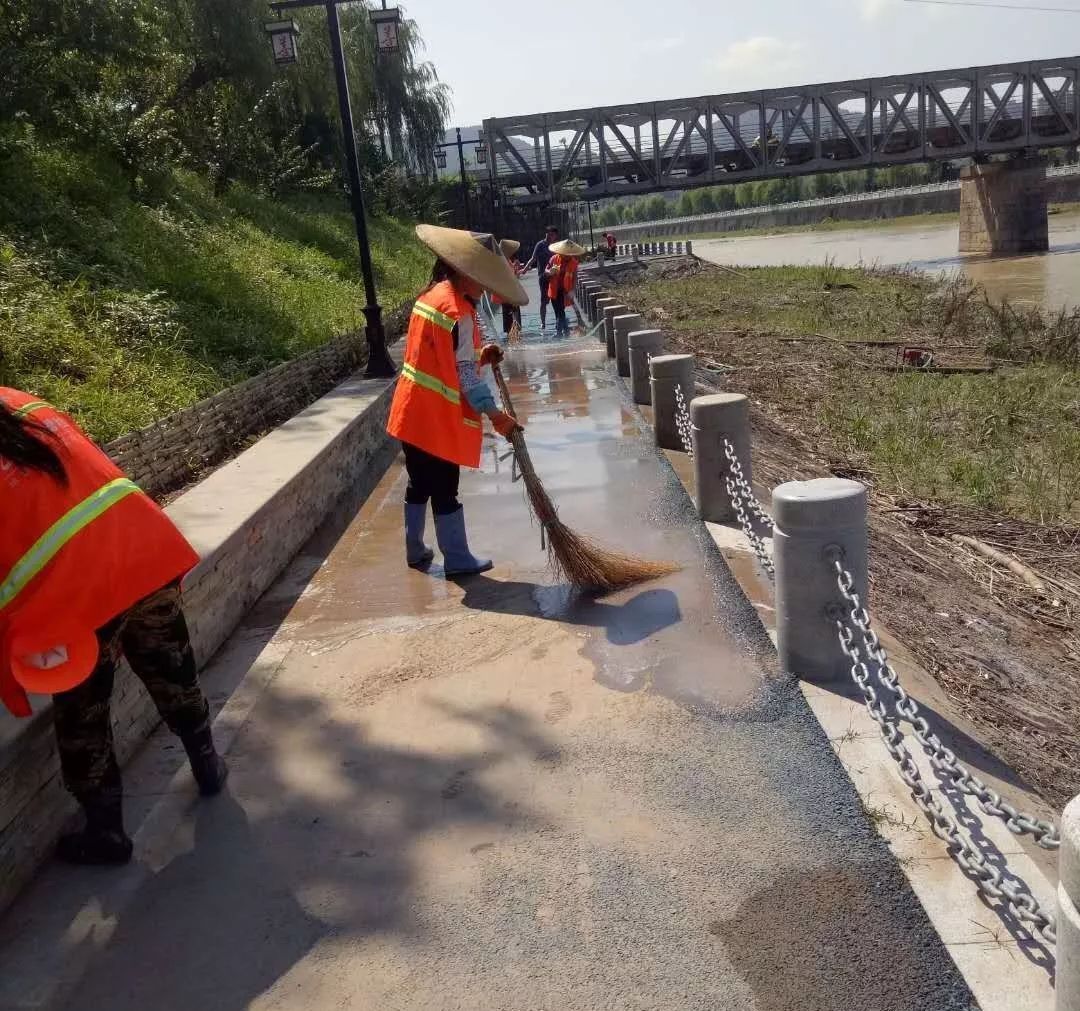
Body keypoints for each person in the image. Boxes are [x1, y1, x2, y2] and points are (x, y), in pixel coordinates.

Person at [0, 390, 227, 865]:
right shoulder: (20, 405)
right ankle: (207, 765)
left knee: (83, 711)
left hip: (72, 593)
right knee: (172, 666)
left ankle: (106, 831)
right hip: (137, 546)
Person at [387, 224, 528, 575]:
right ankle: (457, 558)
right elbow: (463, 376)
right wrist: (496, 415)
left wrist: (480, 354)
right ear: (466, 273)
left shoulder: (431, 296)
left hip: (411, 411)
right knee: (445, 488)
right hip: (436, 417)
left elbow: (441, 358)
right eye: (483, 279)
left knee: (419, 482)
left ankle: (415, 549)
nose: (485, 286)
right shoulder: (459, 312)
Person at [521, 225, 559, 330]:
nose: (550, 236)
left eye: (552, 234)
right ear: (546, 234)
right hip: (543, 276)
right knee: (544, 301)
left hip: (554, 277)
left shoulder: (555, 247)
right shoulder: (540, 245)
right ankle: (543, 322)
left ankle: (558, 320)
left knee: (555, 300)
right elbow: (533, 258)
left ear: (555, 236)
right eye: (548, 233)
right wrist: (524, 270)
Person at [545, 238, 586, 336]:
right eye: (565, 253)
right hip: (554, 289)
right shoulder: (554, 259)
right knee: (557, 311)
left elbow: (575, 277)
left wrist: (573, 290)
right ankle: (565, 330)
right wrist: (549, 272)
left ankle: (559, 332)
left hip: (564, 290)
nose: (567, 256)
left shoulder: (574, 263)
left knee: (561, 311)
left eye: (569, 254)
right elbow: (545, 270)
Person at [491, 238, 524, 336]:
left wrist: (516, 268)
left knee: (512, 319)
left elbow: (513, 276)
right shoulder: (503, 262)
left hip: (509, 294)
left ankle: (513, 340)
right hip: (508, 295)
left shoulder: (505, 260)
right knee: (512, 320)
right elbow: (510, 278)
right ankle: (513, 340)